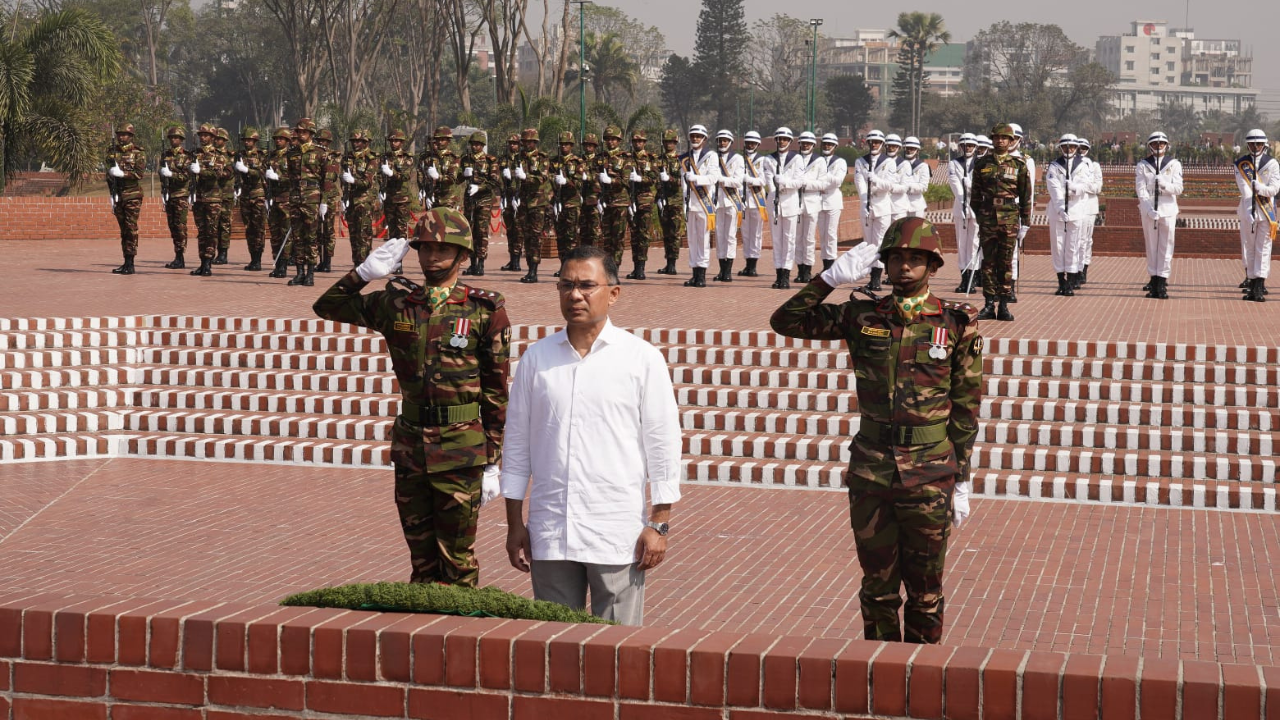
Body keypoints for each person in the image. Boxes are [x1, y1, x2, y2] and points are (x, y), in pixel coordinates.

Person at [770, 217, 982, 644]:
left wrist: (961, 478)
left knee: (926, 590)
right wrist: (827, 279)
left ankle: (920, 679)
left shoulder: (956, 321)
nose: (905, 266)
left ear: (933, 266)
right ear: (885, 263)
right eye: (897, 257)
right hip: (872, 470)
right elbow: (786, 321)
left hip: (929, 470)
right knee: (878, 588)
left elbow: (966, 406)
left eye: (915, 259)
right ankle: (880, 676)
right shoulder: (861, 313)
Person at [312, 207, 510, 586]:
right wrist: (363, 274)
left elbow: (497, 392)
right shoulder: (397, 302)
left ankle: (458, 636)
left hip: (460, 447)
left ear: (463, 256)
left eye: (443, 249)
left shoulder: (485, 309)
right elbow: (327, 306)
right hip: (411, 443)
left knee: (457, 561)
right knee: (421, 562)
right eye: (425, 249)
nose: (432, 257)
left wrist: (492, 463)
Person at [501, 245, 681, 625]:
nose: (575, 295)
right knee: (553, 644)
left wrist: (659, 523)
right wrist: (516, 523)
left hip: (616, 533)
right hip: (552, 530)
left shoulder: (641, 359)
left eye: (586, 285)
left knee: (617, 652)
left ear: (613, 293)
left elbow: (662, 445)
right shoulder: (537, 359)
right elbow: (517, 444)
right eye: (566, 285)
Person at [970, 123, 1030, 321]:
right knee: (987, 262)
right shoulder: (981, 164)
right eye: (997, 137)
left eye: (1004, 138)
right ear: (992, 140)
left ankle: (1003, 305)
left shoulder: (1018, 165)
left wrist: (1025, 222)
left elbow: (1025, 195)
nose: (1000, 141)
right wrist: (981, 217)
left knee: (1005, 262)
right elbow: (975, 196)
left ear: (1011, 141)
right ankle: (988, 304)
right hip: (988, 217)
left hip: (1009, 217)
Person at [1135, 131, 1184, 299]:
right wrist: (1148, 208)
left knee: (1166, 246)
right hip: (1149, 208)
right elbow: (1140, 189)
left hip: (1168, 207)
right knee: (1152, 246)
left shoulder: (1174, 164)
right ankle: (1153, 281)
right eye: (1155, 144)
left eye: (1161, 144)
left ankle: (1162, 282)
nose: (1158, 146)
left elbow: (1178, 188)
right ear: (1150, 146)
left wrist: (1164, 185)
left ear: (1166, 145)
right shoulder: (1143, 165)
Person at [1235, 129, 1278, 302]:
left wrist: (1260, 188)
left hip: (1266, 212)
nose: (1255, 146)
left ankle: (1260, 285)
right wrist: (1248, 210)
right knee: (1250, 248)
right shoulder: (1241, 164)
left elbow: (1275, 188)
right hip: (1249, 211)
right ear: (1248, 145)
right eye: (1252, 144)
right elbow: (1244, 190)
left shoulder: (1272, 164)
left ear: (1264, 145)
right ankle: (1252, 285)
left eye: (1258, 143)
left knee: (1264, 249)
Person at [853, 130, 897, 290]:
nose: (874, 145)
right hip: (867, 206)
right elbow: (859, 182)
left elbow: (890, 185)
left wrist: (876, 180)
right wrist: (865, 202)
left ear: (882, 144)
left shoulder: (889, 162)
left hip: (882, 206)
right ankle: (871, 276)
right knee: (868, 243)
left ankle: (877, 278)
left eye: (877, 142)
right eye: (872, 142)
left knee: (879, 243)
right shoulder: (860, 161)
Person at [285, 118, 325, 287]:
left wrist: (325, 201)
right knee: (297, 237)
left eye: (304, 132)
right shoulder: (292, 152)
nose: (300, 134)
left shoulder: (321, 153)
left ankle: (310, 273)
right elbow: (291, 176)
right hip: (295, 198)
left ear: (311, 134)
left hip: (312, 198)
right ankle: (299, 273)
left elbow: (327, 180)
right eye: (299, 131)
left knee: (311, 237)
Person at [104, 123, 147, 275]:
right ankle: (126, 261)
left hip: (132, 195)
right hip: (118, 196)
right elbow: (108, 175)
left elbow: (139, 174)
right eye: (119, 134)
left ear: (131, 136)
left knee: (130, 228)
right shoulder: (111, 151)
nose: (121, 137)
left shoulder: (138, 153)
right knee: (123, 230)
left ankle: (131, 262)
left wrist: (122, 174)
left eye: (124, 134)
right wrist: (111, 193)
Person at [188, 124, 229, 277]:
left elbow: (217, 173)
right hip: (199, 198)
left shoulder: (218, 154)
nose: (202, 138)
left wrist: (201, 171)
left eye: (206, 135)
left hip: (213, 198)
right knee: (202, 232)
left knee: (211, 231)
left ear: (212, 137)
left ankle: (208, 264)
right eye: (201, 135)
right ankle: (202, 262)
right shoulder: (195, 154)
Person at [1045, 134, 1083, 296]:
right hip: (1057, 210)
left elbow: (1086, 185)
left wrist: (1074, 188)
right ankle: (1061, 280)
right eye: (1066, 147)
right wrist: (1061, 207)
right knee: (1058, 246)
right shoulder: (1054, 166)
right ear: (1061, 148)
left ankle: (1071, 281)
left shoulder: (1082, 165)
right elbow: (1054, 188)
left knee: (1073, 246)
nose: (1069, 150)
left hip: (1076, 208)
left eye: (1072, 147)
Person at [682, 124, 720, 287]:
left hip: (704, 203)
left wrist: (696, 178)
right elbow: (682, 183)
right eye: (693, 136)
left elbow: (713, 177)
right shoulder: (684, 158)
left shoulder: (711, 156)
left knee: (703, 239)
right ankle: (694, 273)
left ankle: (702, 274)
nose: (695, 139)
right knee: (692, 239)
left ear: (704, 139)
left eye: (698, 136)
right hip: (690, 203)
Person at [460, 131, 500, 277]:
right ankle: (472, 263)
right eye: (473, 144)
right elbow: (457, 178)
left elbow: (495, 181)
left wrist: (480, 187)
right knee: (469, 231)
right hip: (470, 199)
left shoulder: (490, 161)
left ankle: (481, 263)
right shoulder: (465, 159)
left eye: (478, 144)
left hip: (484, 199)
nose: (475, 146)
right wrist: (463, 174)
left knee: (481, 231)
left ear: (483, 145)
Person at [514, 127, 551, 283]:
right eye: (525, 141)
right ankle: (529, 268)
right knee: (526, 236)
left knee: (535, 237)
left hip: (537, 202)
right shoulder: (518, 158)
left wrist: (526, 176)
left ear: (535, 142)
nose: (527, 144)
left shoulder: (543, 158)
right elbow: (514, 179)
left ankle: (533, 270)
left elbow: (542, 177)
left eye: (530, 141)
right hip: (523, 202)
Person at [766, 126, 800, 289]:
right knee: (777, 241)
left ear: (790, 141)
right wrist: (777, 187)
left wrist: (784, 183)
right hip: (775, 204)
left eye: (785, 139)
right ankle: (778, 274)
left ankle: (786, 274)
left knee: (789, 240)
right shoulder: (769, 159)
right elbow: (769, 183)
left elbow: (799, 182)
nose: (781, 141)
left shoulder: (797, 159)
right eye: (779, 139)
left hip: (790, 204)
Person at [595, 125, 633, 270]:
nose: (611, 142)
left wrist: (610, 180)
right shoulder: (600, 158)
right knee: (606, 237)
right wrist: (597, 196)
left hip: (620, 202)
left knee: (618, 237)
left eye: (614, 139)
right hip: (605, 202)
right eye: (608, 139)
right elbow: (592, 178)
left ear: (619, 141)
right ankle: (607, 266)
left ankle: (615, 267)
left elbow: (625, 180)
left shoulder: (625, 158)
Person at [790, 131, 826, 284]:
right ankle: (800, 269)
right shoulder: (794, 159)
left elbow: (822, 184)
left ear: (813, 145)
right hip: (796, 202)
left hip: (812, 203)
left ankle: (808, 270)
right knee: (797, 238)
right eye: (803, 143)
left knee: (809, 239)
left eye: (808, 143)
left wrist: (805, 183)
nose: (805, 145)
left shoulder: (819, 161)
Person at [626, 130, 662, 280]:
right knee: (634, 235)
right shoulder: (626, 158)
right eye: (635, 141)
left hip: (645, 200)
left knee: (643, 234)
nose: (637, 144)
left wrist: (640, 179)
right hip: (631, 200)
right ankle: (635, 267)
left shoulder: (651, 158)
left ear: (644, 143)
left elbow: (654, 177)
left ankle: (641, 268)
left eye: (640, 141)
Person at [342, 129, 379, 266]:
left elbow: (367, 182)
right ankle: (356, 262)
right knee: (353, 233)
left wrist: (353, 181)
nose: (355, 143)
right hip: (351, 200)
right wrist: (343, 198)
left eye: (358, 141)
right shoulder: (347, 158)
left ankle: (363, 263)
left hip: (364, 201)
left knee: (363, 234)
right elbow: (344, 181)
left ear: (365, 142)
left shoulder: (371, 159)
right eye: (353, 141)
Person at [711, 129, 744, 281]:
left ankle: (728, 271)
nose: (722, 143)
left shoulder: (737, 158)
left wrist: (722, 179)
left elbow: (738, 181)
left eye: (725, 140)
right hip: (717, 202)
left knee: (730, 236)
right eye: (720, 140)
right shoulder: (712, 157)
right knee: (719, 236)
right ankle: (721, 270)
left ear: (730, 142)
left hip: (731, 201)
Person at [948, 133, 979, 292]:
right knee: (962, 244)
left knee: (973, 244)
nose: (968, 148)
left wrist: (970, 187)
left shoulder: (980, 163)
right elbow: (955, 184)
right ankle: (964, 279)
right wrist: (962, 200)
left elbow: (983, 187)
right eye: (965, 146)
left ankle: (972, 280)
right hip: (960, 207)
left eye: (971, 146)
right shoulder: (954, 163)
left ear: (975, 147)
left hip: (976, 209)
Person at [234, 128, 269, 271]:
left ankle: (258, 259)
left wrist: (247, 170)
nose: (247, 142)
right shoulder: (239, 155)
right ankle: (252, 258)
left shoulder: (261, 155)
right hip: (245, 195)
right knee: (249, 229)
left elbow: (262, 173)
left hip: (258, 195)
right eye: (245, 140)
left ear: (255, 141)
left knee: (258, 228)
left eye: (249, 140)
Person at [158, 125, 193, 270]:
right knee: (172, 226)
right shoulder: (165, 155)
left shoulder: (186, 156)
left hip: (181, 195)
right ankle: (177, 256)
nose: (173, 140)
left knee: (180, 227)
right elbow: (161, 176)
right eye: (171, 138)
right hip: (169, 195)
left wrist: (171, 174)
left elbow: (186, 176)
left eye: (176, 138)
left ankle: (181, 257)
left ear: (181, 140)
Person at [815, 133, 847, 272]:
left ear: (835, 146)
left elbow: (838, 181)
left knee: (831, 233)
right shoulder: (817, 160)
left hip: (832, 200)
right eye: (825, 144)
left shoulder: (840, 162)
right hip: (819, 200)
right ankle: (825, 265)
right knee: (822, 234)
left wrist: (823, 176)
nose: (827, 146)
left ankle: (831, 265)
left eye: (830, 144)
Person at [265, 127, 294, 278]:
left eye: (281, 139)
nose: (278, 141)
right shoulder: (271, 156)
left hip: (286, 199)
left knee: (286, 234)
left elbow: (294, 179)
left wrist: (278, 178)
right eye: (276, 139)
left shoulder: (291, 157)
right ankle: (277, 264)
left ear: (287, 141)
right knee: (275, 234)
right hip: (273, 199)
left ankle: (284, 265)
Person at [738, 130, 768, 276]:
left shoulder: (763, 161)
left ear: (758, 144)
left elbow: (763, 181)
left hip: (757, 201)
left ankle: (753, 264)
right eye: (748, 143)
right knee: (745, 234)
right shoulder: (740, 160)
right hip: (743, 201)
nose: (750, 145)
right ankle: (747, 263)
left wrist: (748, 179)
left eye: (753, 143)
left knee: (756, 233)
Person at [1074, 137, 1103, 285]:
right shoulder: (1071, 165)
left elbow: (1097, 188)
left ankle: (1083, 269)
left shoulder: (1094, 165)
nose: (1081, 151)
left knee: (1086, 240)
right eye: (1078, 148)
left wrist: (1083, 186)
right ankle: (1074, 270)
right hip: (1076, 205)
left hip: (1089, 206)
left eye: (1083, 148)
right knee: (1075, 240)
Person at [315, 128, 342, 273]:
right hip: (314, 197)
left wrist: (324, 200)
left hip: (329, 198)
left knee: (328, 231)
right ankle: (320, 260)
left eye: (323, 141)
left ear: (328, 142)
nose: (321, 144)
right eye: (318, 141)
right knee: (317, 232)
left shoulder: (333, 156)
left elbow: (330, 178)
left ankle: (328, 262)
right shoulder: (314, 155)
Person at [380, 129, 416, 241]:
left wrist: (392, 173)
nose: (393, 143)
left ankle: (400, 258)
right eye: (391, 141)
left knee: (401, 232)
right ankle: (393, 258)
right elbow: (378, 175)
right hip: (389, 198)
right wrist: (380, 189)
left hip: (402, 199)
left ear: (401, 142)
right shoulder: (385, 157)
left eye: (396, 141)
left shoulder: (407, 157)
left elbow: (406, 176)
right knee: (392, 232)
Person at [499, 133, 524, 272]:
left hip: (519, 197)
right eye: (510, 143)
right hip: (508, 197)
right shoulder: (503, 159)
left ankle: (517, 261)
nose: (512, 145)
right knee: (510, 230)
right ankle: (512, 259)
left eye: (515, 143)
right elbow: (496, 176)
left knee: (519, 230)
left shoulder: (523, 158)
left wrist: (514, 174)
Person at [212, 128, 235, 265]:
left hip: (226, 195)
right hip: (212, 194)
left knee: (224, 225)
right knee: (212, 225)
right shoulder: (210, 154)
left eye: (219, 138)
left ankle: (223, 253)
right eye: (215, 138)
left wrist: (216, 172)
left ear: (225, 140)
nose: (216, 140)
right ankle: (213, 252)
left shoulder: (230, 156)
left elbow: (228, 173)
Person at [578, 133, 604, 251]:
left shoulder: (600, 160)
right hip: (581, 199)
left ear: (595, 146)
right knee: (583, 231)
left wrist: (588, 177)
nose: (588, 147)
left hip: (595, 199)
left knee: (594, 231)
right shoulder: (579, 160)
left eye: (591, 145)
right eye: (586, 145)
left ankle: (593, 256)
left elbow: (601, 177)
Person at [901, 137, 931, 220]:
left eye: (912, 148)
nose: (909, 150)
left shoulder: (923, 166)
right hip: (901, 204)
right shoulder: (899, 165)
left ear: (917, 151)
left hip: (916, 205)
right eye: (907, 148)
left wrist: (907, 186)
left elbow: (924, 187)